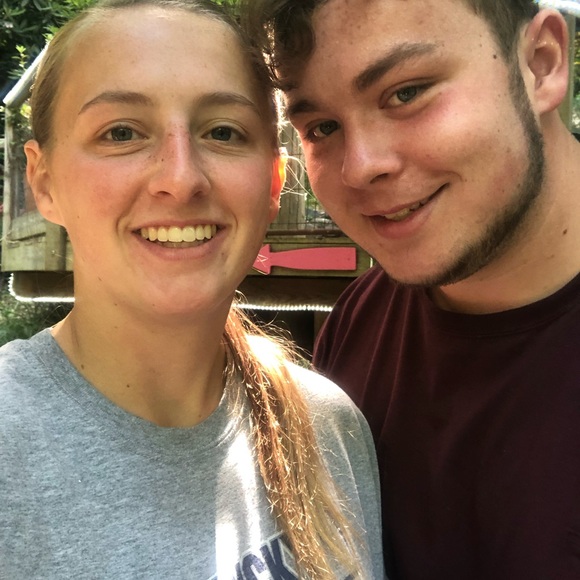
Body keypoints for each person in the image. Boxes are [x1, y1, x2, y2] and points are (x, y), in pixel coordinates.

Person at [0, 1, 386, 578]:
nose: (181, 179)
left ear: (274, 180)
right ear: (44, 180)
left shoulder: (329, 428)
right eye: (122, 133)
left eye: (223, 132)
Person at [243, 0, 580, 578]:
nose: (360, 167)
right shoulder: (360, 322)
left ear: (541, 63)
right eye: (322, 128)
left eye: (406, 93)